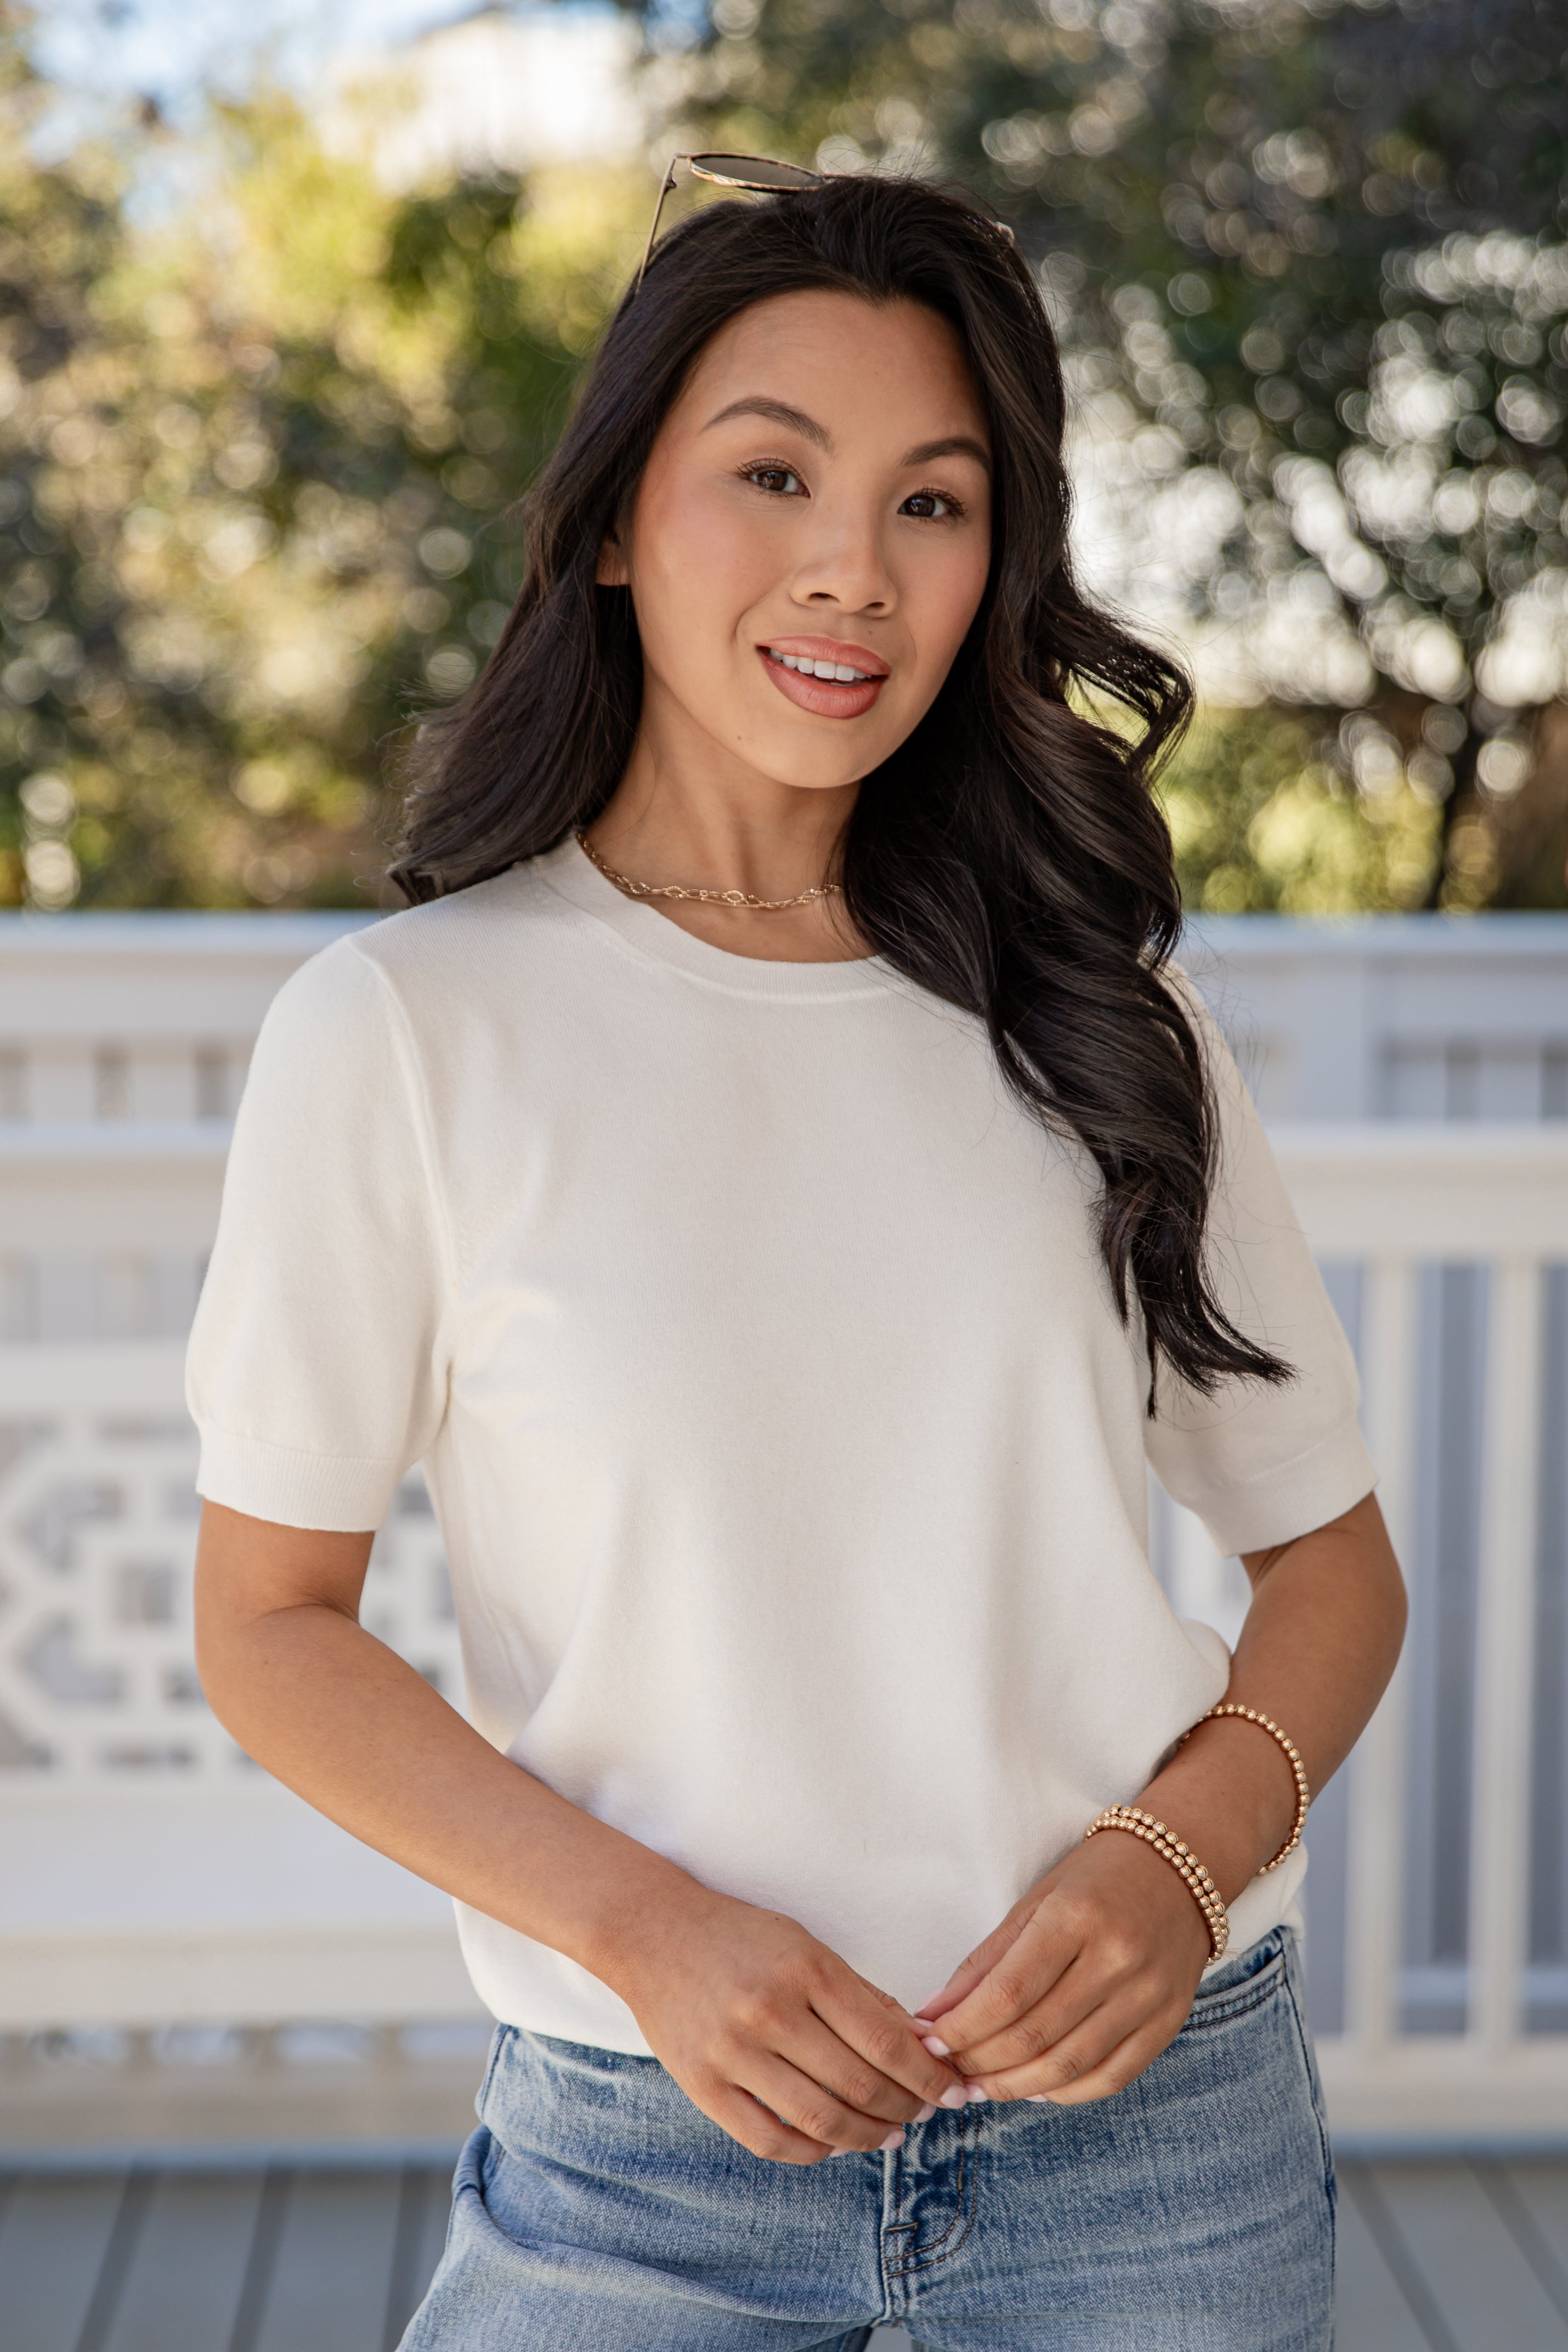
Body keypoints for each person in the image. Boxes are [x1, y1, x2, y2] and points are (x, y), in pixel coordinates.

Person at [190, 171, 1406, 2350]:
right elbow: (271, 1623)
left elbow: (1328, 1564)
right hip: (641, 2155)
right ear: (614, 521)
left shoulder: (1096, 1023)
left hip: (1156, 2148)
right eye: (773, 473)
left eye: (934, 505)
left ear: (990, 573)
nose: (855, 564)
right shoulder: (403, 1033)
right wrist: (648, 1930)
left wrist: (1176, 1862)